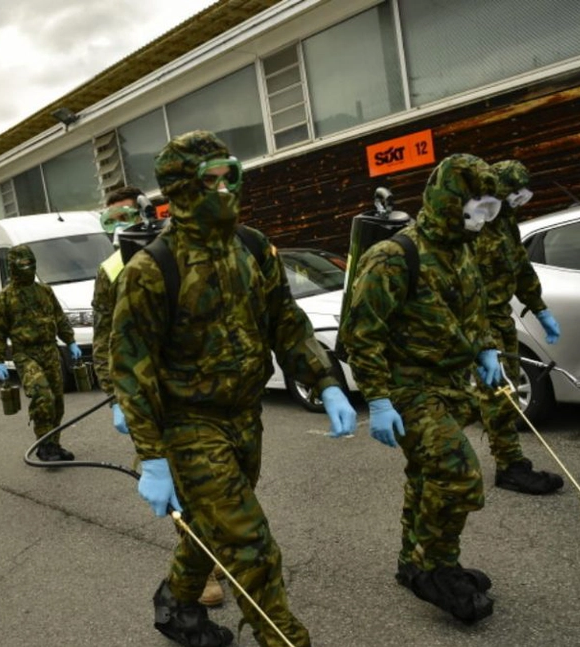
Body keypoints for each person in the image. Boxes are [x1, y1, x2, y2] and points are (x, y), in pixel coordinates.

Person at [109, 130, 357, 647]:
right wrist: (151, 455)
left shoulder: (253, 246)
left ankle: (177, 604)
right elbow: (131, 367)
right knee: (250, 544)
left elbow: (285, 321)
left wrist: (326, 381)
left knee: (210, 525)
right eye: (210, 180)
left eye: (230, 176)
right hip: (189, 426)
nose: (224, 190)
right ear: (180, 188)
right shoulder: (151, 270)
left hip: (246, 416)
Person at [338, 153, 504, 624]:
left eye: (492, 210)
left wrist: (485, 348)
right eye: (478, 207)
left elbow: (473, 309)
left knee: (426, 476)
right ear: (451, 201)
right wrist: (378, 398)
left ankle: (413, 562)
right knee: (458, 475)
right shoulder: (393, 256)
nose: (484, 219)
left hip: (451, 383)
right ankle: (438, 568)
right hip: (408, 388)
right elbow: (360, 334)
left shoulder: (461, 249)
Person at [92, 185, 227, 609]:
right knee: (183, 485)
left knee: (222, 477)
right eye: (111, 219)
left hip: (201, 387)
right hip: (149, 392)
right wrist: (115, 396)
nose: (120, 226)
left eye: (127, 215)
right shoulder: (111, 269)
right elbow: (103, 340)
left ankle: (213, 551)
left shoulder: (182, 249)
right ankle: (200, 570)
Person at [474, 160, 564, 494]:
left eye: (521, 194)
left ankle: (496, 455)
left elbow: (521, 267)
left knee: (499, 389)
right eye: (513, 193)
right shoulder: (474, 225)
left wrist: (539, 308)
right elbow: (461, 287)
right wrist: (481, 341)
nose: (518, 200)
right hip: (475, 321)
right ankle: (510, 466)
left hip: (500, 317)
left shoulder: (506, 222)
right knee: (499, 392)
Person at [0, 245, 82, 462]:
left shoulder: (45, 291)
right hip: (26, 354)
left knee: (57, 402)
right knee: (42, 396)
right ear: (13, 267)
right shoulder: (4, 298)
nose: (28, 268)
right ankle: (43, 445)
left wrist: (70, 341)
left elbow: (59, 318)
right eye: (23, 265)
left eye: (31, 264)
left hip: (50, 350)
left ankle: (55, 445)